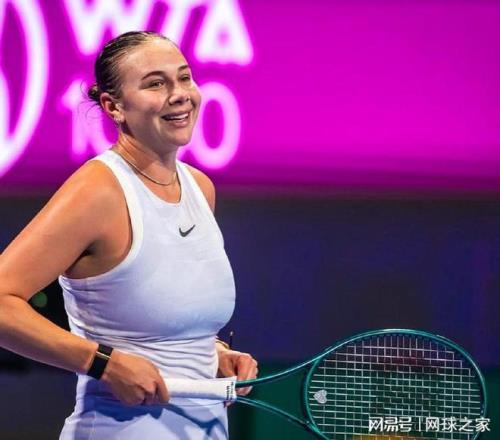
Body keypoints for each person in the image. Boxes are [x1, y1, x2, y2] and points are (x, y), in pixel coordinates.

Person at [0, 31, 257, 439]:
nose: (180, 95)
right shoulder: (98, 192)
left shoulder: (199, 188)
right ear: (113, 106)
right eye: (156, 84)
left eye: (184, 77)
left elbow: (161, 325)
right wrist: (102, 363)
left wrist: (212, 355)